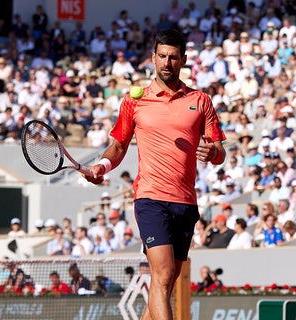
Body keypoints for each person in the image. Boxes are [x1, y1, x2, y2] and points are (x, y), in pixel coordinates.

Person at [82, 29, 226, 320]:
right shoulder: (134, 101)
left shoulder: (201, 101)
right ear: (153, 58)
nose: (167, 63)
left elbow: (220, 152)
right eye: (162, 56)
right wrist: (102, 166)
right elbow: (118, 145)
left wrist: (213, 154)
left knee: (165, 284)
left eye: (173, 57)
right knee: (162, 276)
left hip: (185, 202)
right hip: (150, 198)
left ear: (183, 60)